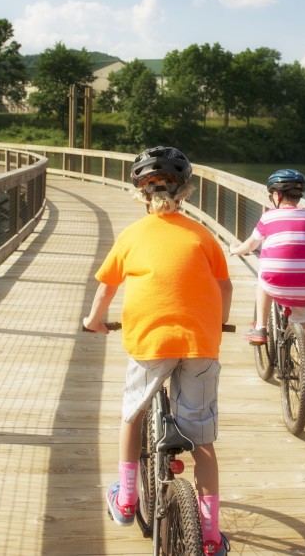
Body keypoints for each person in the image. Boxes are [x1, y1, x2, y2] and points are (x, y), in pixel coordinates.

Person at [82, 145, 234, 556]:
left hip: (149, 343)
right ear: (185, 192)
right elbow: (224, 287)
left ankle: (127, 499)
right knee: (201, 439)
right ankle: (209, 534)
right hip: (201, 344)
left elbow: (107, 287)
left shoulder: (131, 235)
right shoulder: (204, 236)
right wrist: (217, 325)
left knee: (132, 415)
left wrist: (95, 321)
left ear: (141, 194)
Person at [229, 169, 305, 385]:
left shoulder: (268, 216)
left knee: (264, 278)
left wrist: (235, 249)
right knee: (303, 319)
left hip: (276, 281)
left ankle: (260, 327)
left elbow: (251, 245)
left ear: (277, 196)